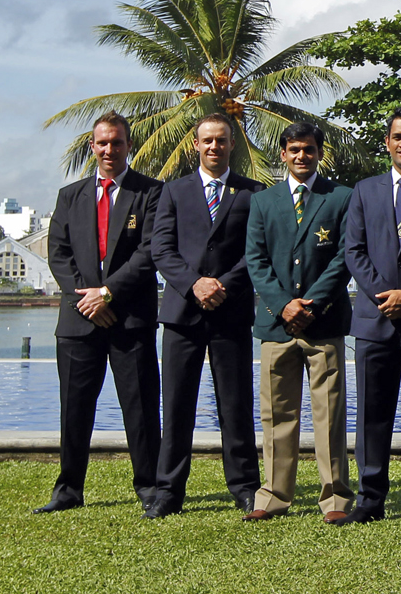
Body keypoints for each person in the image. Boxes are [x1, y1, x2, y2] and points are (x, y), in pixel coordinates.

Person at [37, 112, 163, 514]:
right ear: (93, 146)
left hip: (130, 318)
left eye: (118, 143)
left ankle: (148, 487)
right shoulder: (68, 195)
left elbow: (149, 253)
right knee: (74, 408)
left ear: (129, 146)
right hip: (78, 321)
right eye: (103, 143)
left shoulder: (151, 193)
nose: (110, 150)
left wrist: (107, 295)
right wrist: (87, 301)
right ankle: (68, 490)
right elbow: (59, 253)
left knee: (141, 407)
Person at [145, 113, 263, 518]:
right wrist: (194, 284)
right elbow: (161, 249)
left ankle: (246, 486)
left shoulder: (252, 192)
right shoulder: (173, 192)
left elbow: (257, 252)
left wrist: (223, 285)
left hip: (230, 312)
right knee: (176, 405)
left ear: (233, 144)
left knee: (235, 405)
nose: (214, 147)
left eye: (222, 140)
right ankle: (168, 491)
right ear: (196, 145)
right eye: (207, 141)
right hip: (182, 313)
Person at [336, 106, 401, 525]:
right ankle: (370, 497)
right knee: (371, 412)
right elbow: (353, 251)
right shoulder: (364, 191)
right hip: (373, 318)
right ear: (387, 142)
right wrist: (386, 294)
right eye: (397, 136)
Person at [242, 122, 355, 522]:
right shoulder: (263, 201)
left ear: (319, 153)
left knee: (329, 414)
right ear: (283, 154)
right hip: (276, 326)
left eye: (308, 149)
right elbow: (255, 261)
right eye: (294, 150)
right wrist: (283, 305)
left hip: (323, 323)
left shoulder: (341, 197)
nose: (301, 156)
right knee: (276, 414)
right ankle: (273, 496)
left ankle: (336, 498)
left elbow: (346, 257)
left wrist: (311, 304)